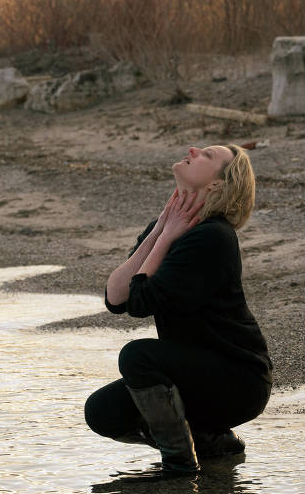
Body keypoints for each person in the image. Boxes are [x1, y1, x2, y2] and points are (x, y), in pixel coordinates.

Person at [84, 144, 273, 474]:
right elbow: (115, 299)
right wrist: (160, 230)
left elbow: (140, 302)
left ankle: (180, 467)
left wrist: (168, 235)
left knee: (136, 356)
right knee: (102, 411)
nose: (193, 149)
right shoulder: (172, 227)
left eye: (207, 156)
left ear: (216, 185)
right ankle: (208, 442)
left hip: (238, 380)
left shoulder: (213, 238)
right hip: (193, 375)